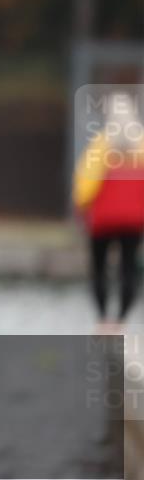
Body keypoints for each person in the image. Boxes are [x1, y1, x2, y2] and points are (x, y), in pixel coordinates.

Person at [73, 91, 144, 331]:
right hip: (134, 221)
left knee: (99, 267)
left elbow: (84, 187)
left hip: (102, 220)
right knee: (129, 269)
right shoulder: (141, 147)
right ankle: (121, 320)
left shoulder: (101, 145)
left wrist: (81, 207)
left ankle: (103, 319)